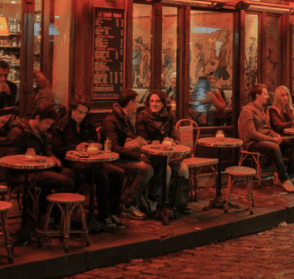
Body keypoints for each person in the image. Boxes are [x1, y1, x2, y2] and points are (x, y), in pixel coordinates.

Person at [50, 94, 125, 232]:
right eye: (79, 112)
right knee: (102, 177)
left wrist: (93, 146)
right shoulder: (62, 125)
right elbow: (56, 149)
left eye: (84, 113)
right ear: (72, 109)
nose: (81, 115)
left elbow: (94, 141)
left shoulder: (88, 124)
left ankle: (113, 213)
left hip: (91, 162)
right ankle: (103, 216)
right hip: (72, 163)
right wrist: (75, 147)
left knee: (119, 173)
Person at [6, 106, 76, 223]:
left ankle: (54, 213)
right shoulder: (18, 132)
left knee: (75, 175)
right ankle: (55, 217)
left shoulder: (39, 131)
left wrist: (50, 156)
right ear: (38, 118)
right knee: (67, 182)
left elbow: (42, 151)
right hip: (23, 172)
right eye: (47, 123)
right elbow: (12, 158)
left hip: (39, 168)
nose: (48, 127)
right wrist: (38, 160)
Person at [136, 90, 191, 216]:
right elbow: (142, 141)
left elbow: (176, 137)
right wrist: (159, 144)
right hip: (151, 156)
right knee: (167, 169)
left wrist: (172, 142)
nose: (154, 104)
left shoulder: (169, 117)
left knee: (184, 168)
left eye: (157, 101)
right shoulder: (142, 117)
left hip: (168, 154)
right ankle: (159, 203)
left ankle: (180, 205)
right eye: (151, 101)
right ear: (148, 103)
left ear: (163, 104)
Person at [101, 89, 154, 220]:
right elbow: (113, 147)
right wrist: (137, 156)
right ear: (130, 103)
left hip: (121, 157)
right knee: (146, 169)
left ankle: (140, 200)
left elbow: (127, 136)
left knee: (151, 163)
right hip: (111, 160)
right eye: (136, 102)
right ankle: (129, 205)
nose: (138, 105)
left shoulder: (125, 118)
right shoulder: (112, 120)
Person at [239, 83, 294, 193]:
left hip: (266, 139)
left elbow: (267, 129)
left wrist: (274, 135)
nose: (267, 96)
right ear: (257, 95)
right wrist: (271, 139)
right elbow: (251, 134)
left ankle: (290, 173)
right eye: (265, 94)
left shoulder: (264, 110)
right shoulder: (247, 111)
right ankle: (284, 179)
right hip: (253, 143)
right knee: (274, 147)